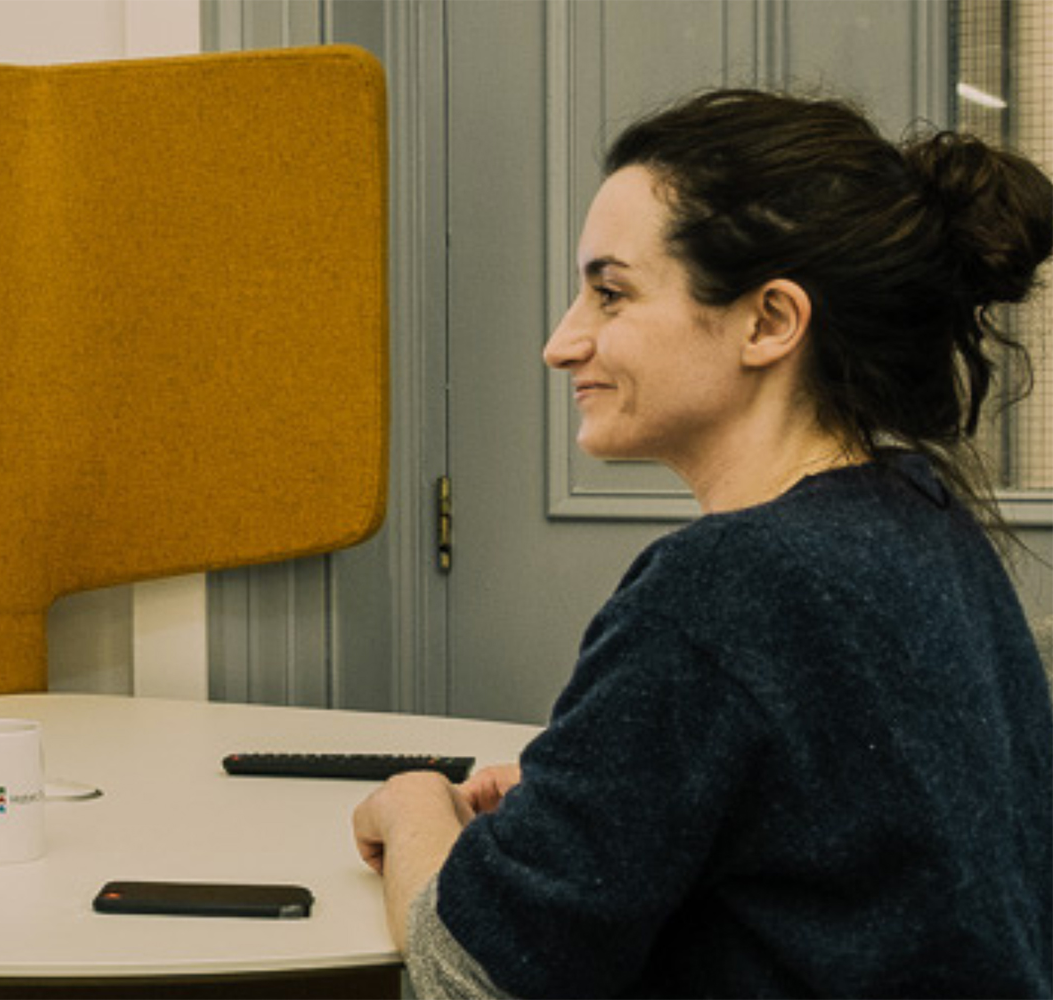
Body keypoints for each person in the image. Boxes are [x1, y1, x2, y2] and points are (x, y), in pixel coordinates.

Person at [353, 89, 1053, 997]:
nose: (562, 343)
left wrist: (412, 807)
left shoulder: (725, 587)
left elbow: (471, 979)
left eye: (610, 294)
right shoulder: (921, 519)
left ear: (769, 321)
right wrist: (590, 802)